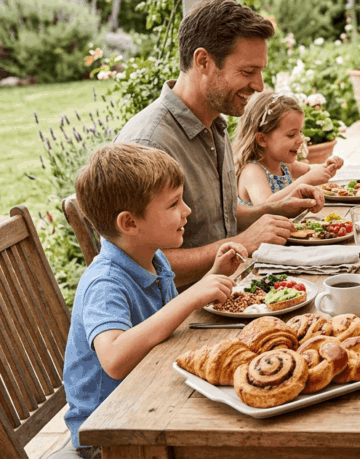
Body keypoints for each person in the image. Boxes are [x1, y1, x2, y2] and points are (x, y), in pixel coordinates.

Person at [116, 0, 324, 286]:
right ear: (203, 61)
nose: (259, 85)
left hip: (231, 288)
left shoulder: (213, 123)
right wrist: (243, 243)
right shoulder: (149, 144)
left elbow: (219, 218)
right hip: (185, 317)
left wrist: (275, 208)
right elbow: (139, 266)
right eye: (247, 72)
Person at [57, 143, 243, 459]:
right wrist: (188, 300)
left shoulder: (154, 258)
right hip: (110, 434)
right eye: (173, 204)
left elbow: (167, 324)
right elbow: (114, 359)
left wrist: (213, 274)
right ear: (130, 223)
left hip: (150, 398)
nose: (187, 210)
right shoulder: (105, 283)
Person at [234, 91, 344, 205]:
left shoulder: (284, 165)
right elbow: (265, 205)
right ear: (262, 139)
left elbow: (310, 170)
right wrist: (307, 180)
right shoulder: (252, 171)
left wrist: (327, 167)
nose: (301, 140)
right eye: (291, 135)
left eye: (300, 132)